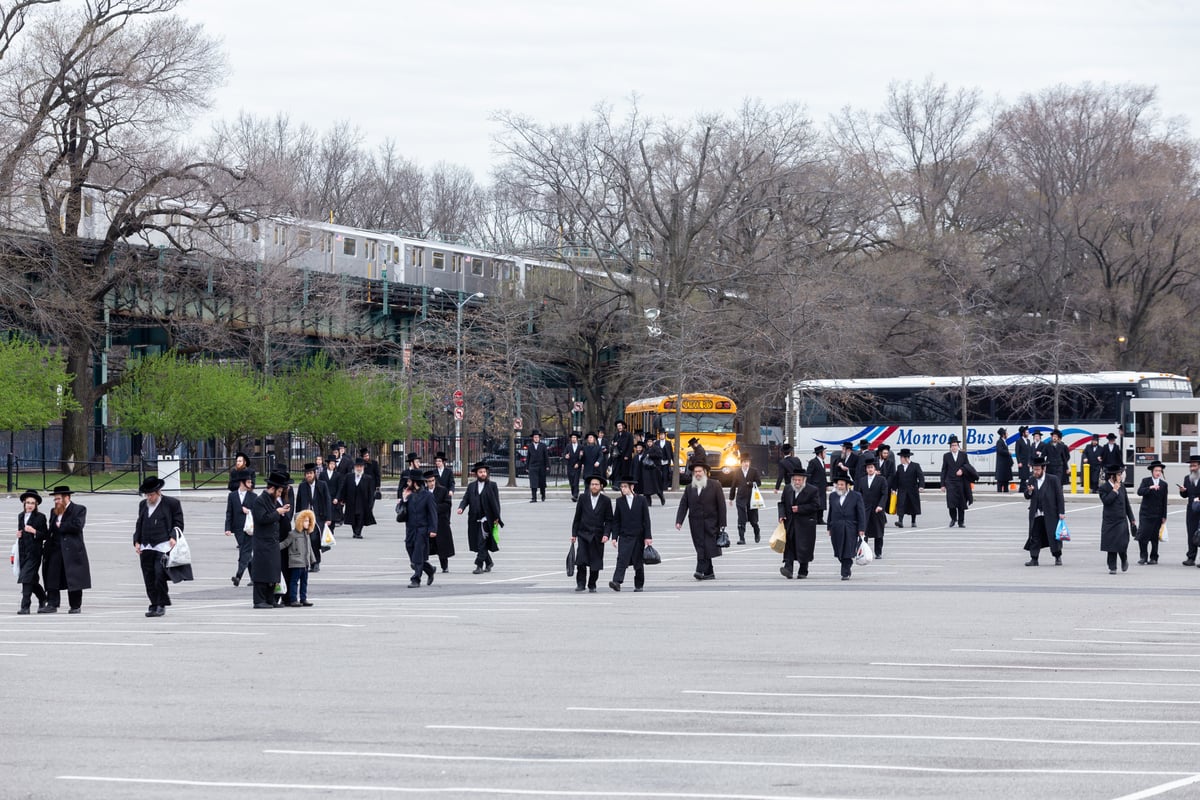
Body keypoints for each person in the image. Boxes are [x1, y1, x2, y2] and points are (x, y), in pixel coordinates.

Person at [132, 476, 184, 618]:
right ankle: (153, 603)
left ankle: (161, 604)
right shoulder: (143, 505)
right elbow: (140, 523)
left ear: (158, 492)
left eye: (151, 494)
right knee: (148, 577)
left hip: (163, 546)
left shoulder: (171, 503)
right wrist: (136, 540)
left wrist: (173, 536)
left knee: (159, 575)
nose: (149, 497)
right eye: (147, 494)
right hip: (146, 546)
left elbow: (178, 522)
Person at [674, 459, 726, 581]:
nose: (697, 473)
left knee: (706, 546)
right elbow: (683, 505)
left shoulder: (715, 485)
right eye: (695, 472)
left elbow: (721, 506)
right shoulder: (689, 488)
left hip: (711, 522)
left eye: (699, 471)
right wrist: (679, 521)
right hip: (695, 523)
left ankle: (699, 570)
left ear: (705, 472)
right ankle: (709, 572)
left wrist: (723, 524)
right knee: (700, 546)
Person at [42, 486, 90, 614]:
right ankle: (52, 603)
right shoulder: (54, 511)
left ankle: (75, 605)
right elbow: (50, 530)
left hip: (72, 550)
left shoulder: (79, 509)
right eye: (55, 499)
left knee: (73, 578)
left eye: (58, 499)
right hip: (55, 549)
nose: (56, 501)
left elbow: (78, 526)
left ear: (67, 498)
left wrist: (62, 525)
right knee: (52, 576)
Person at [249, 470, 292, 609]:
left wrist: (281, 510)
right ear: (272, 489)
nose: (279, 494)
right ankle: (259, 600)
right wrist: (277, 512)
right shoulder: (259, 501)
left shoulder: (271, 501)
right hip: (262, 541)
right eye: (279, 491)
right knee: (262, 570)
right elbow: (262, 518)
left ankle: (270, 598)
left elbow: (272, 516)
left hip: (272, 541)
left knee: (273, 570)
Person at [609, 474, 652, 592]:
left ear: (631, 487)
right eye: (621, 487)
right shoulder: (619, 501)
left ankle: (639, 584)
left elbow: (646, 520)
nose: (623, 489)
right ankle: (617, 581)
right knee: (621, 559)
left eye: (625, 487)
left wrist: (648, 536)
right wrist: (614, 537)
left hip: (638, 536)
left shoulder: (641, 500)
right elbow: (616, 521)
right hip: (624, 536)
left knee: (638, 561)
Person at [458, 462, 502, 574]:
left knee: (482, 542)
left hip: (487, 519)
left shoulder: (492, 485)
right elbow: (466, 499)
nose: (483, 474)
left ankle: (479, 565)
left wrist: (497, 517)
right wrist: (461, 508)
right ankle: (489, 562)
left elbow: (496, 502)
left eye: (484, 472)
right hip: (473, 519)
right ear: (476, 474)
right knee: (477, 543)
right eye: (480, 472)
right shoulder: (471, 486)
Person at [571, 473, 612, 592]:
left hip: (598, 536)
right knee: (581, 561)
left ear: (601, 486)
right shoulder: (583, 498)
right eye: (592, 484)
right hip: (583, 534)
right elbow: (577, 517)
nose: (594, 486)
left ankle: (592, 584)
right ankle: (580, 583)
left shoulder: (606, 501)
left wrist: (606, 534)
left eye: (596, 485)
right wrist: (574, 534)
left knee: (595, 563)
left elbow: (609, 520)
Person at [1022, 455, 1066, 566]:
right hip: (1036, 514)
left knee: (1052, 536)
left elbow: (1059, 497)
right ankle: (1034, 558)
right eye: (1034, 469)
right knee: (1035, 536)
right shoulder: (1031, 480)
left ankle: (1057, 556)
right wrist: (1030, 491)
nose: (1035, 472)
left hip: (1050, 513)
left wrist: (1061, 512)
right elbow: (1026, 495)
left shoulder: (1053, 479)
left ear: (1043, 469)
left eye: (1037, 469)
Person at [778, 469, 820, 579]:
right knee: (789, 545)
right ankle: (788, 569)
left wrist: (800, 509)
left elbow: (816, 506)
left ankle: (803, 570)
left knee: (804, 547)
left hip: (805, 525)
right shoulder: (788, 489)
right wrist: (781, 515)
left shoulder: (812, 490)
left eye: (799, 480)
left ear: (804, 480)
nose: (797, 482)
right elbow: (782, 503)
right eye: (795, 480)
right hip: (790, 523)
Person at [399, 469, 438, 588]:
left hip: (422, 530)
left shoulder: (428, 496)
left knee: (417, 554)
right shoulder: (407, 494)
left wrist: (433, 529)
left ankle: (416, 578)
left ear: (415, 482)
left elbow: (433, 514)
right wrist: (404, 500)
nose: (407, 483)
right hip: (410, 529)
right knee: (411, 551)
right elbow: (400, 512)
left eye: (409, 481)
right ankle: (430, 569)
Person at [826, 475, 866, 581]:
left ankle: (845, 571)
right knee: (839, 551)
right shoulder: (833, 496)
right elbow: (831, 512)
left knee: (848, 550)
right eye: (838, 484)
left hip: (850, 527)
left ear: (847, 485)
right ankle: (846, 563)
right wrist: (829, 527)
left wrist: (861, 528)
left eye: (842, 485)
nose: (839, 487)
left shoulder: (856, 496)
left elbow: (861, 513)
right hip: (836, 527)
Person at [14, 490, 48, 614]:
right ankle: (43, 598)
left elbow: (45, 535)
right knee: (31, 579)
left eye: (32, 503)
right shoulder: (21, 516)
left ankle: (25, 606)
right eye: (28, 502)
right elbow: (21, 532)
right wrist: (19, 534)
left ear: (36, 505)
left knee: (26, 578)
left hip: (34, 553)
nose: (30, 505)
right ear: (24, 503)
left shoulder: (40, 517)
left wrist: (34, 531)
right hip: (23, 553)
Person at [294, 463, 332, 573]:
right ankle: (310, 563)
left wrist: (328, 518)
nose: (308, 476)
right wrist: (297, 518)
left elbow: (327, 501)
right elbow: (299, 503)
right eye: (307, 474)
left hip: (319, 517)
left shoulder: (322, 485)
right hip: (306, 518)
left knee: (315, 540)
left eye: (310, 473)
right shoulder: (302, 486)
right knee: (307, 540)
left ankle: (316, 562)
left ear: (314, 474)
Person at [1100, 463, 1136, 574]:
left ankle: (1124, 559)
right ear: (1112, 476)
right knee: (1111, 545)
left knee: (1122, 542)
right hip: (1110, 521)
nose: (1121, 476)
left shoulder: (1122, 486)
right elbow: (1106, 501)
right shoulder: (1103, 488)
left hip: (1121, 520)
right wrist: (1114, 491)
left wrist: (1132, 518)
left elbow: (1126, 503)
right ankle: (1112, 567)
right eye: (1119, 474)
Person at [225, 468, 256, 586]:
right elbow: (229, 512)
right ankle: (254, 577)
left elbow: (257, 511)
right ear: (242, 482)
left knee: (245, 551)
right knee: (246, 552)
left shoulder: (253, 496)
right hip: (238, 529)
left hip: (250, 528)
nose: (250, 484)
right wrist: (227, 528)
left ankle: (238, 576)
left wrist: (249, 511)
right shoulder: (232, 496)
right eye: (248, 482)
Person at [1136, 460, 1169, 565]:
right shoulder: (1146, 481)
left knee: (1155, 537)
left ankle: (1154, 557)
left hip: (1157, 514)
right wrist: (1150, 488)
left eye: (1160, 470)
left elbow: (1165, 500)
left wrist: (1164, 515)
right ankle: (1143, 556)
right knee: (1143, 536)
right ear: (1152, 471)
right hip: (1146, 514)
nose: (1158, 472)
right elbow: (1139, 492)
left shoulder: (1164, 484)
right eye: (1156, 470)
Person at [280, 509, 317, 606]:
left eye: (308, 521)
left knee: (304, 582)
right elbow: (285, 543)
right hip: (296, 562)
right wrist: (275, 547)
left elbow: (310, 548)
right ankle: (293, 599)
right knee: (294, 582)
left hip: (305, 563)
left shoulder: (307, 534)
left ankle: (303, 598)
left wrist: (313, 560)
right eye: (305, 521)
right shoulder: (293, 534)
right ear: (299, 522)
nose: (307, 523)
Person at [940, 435, 977, 528]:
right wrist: (942, 484)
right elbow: (944, 470)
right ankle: (953, 519)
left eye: (955, 445)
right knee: (951, 503)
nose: (954, 447)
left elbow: (968, 466)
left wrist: (962, 470)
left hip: (961, 482)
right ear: (950, 447)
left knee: (961, 503)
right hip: (950, 482)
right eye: (952, 445)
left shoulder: (963, 455)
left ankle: (961, 522)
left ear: (958, 446)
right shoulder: (946, 456)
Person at [337, 457, 377, 539]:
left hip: (363, 502)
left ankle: (358, 532)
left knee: (360, 517)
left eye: (360, 467)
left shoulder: (368, 478)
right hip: (351, 501)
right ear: (354, 467)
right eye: (357, 467)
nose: (359, 468)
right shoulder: (349, 477)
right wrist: (342, 499)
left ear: (363, 468)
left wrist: (370, 503)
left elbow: (371, 492)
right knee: (353, 517)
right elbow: (344, 488)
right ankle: (355, 531)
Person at [728, 453, 762, 544]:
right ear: (741, 463)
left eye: (748, 462)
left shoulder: (754, 471)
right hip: (741, 498)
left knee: (753, 519)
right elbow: (733, 485)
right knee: (741, 518)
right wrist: (731, 498)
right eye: (744, 462)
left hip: (752, 498)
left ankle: (757, 532)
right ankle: (742, 538)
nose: (746, 464)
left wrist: (751, 483)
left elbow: (759, 483)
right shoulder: (737, 472)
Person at [858, 458, 889, 559]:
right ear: (866, 469)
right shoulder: (862, 480)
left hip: (877, 509)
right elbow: (859, 494)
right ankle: (862, 551)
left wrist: (880, 505)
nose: (870, 469)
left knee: (878, 532)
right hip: (865, 509)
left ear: (875, 469)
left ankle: (878, 552)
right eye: (868, 468)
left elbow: (884, 494)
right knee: (864, 531)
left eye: (871, 467)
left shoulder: (881, 480)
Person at [893, 449, 924, 528]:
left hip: (912, 489)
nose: (900, 459)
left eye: (901, 458)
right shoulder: (899, 467)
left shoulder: (915, 465)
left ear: (906, 458)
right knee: (901, 505)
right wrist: (894, 488)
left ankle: (913, 521)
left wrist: (921, 486)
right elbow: (896, 478)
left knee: (912, 505)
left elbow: (921, 477)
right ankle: (900, 521)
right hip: (902, 489)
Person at [1181, 455, 1200, 567]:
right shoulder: (1187, 478)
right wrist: (1183, 491)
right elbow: (1185, 495)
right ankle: (1191, 557)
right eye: (1191, 466)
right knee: (1191, 533)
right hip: (1191, 510)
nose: (1192, 468)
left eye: (1194, 466)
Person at [807, 446, 829, 524]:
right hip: (815, 485)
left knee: (822, 502)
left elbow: (823, 475)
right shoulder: (813, 462)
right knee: (816, 502)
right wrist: (809, 486)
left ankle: (820, 518)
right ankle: (815, 518)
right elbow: (809, 474)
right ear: (820, 453)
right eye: (824, 453)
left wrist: (826, 484)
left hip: (822, 485)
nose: (825, 454)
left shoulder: (822, 462)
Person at [526, 430, 549, 503]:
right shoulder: (530, 446)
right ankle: (534, 497)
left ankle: (543, 495)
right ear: (533, 438)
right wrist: (527, 467)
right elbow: (528, 457)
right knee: (533, 482)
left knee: (542, 482)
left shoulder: (543, 446)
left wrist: (547, 465)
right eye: (535, 437)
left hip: (541, 466)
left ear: (539, 438)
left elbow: (546, 456)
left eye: (537, 437)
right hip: (532, 466)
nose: (536, 438)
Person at [565, 433, 584, 502]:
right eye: (572, 437)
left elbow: (582, 458)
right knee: (572, 482)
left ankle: (575, 495)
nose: (573, 439)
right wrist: (566, 456)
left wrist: (579, 464)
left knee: (576, 481)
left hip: (577, 466)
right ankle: (573, 493)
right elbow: (564, 454)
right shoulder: (568, 446)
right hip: (570, 466)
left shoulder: (580, 447)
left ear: (577, 439)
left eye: (574, 437)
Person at [655, 430, 674, 496]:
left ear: (665, 436)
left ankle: (664, 487)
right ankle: (659, 486)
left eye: (662, 435)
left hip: (666, 461)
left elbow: (671, 452)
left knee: (665, 474)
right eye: (660, 435)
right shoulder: (656, 443)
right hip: (659, 461)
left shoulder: (668, 443)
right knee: (659, 474)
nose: (661, 436)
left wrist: (672, 460)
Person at [1014, 426, 1033, 492]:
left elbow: (1030, 452)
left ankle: (1022, 489)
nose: (1028, 433)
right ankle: (1023, 489)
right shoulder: (1019, 441)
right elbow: (1017, 452)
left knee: (1026, 476)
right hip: (1022, 461)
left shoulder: (1028, 441)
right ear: (1023, 433)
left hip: (1027, 462)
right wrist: (1019, 462)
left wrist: (1029, 462)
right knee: (1023, 477)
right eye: (1027, 432)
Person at [994, 428, 1013, 492]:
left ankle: (1006, 491)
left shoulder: (1004, 442)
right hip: (1001, 466)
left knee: (1005, 482)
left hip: (1005, 466)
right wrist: (1008, 452)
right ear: (1003, 435)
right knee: (1000, 482)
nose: (1007, 434)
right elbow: (1000, 450)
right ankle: (999, 493)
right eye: (1006, 433)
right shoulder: (999, 442)